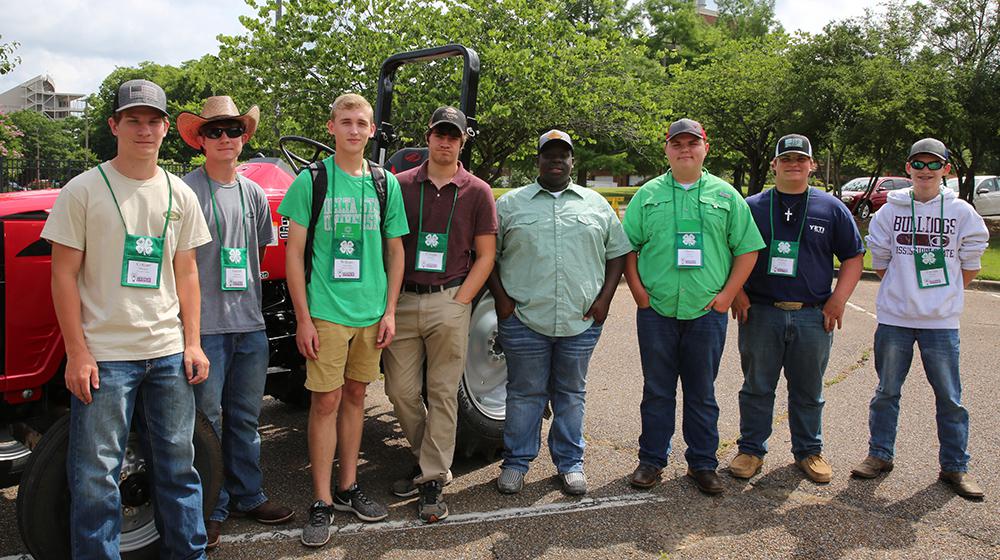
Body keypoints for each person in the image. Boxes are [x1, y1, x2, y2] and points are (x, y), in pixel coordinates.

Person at [42, 79, 212, 559]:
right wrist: (76, 352)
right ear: (114, 125)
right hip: (105, 358)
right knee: (96, 480)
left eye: (153, 120)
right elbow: (62, 276)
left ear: (165, 130)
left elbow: (187, 273)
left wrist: (193, 342)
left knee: (180, 470)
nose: (145, 129)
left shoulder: (180, 194)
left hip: (167, 353)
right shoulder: (83, 190)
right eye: (133, 119)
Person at [277, 93, 408, 547]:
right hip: (327, 312)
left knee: (357, 397)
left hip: (371, 314)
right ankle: (321, 501)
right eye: (346, 122)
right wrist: (303, 317)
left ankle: (349, 486)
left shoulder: (383, 183)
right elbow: (294, 255)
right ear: (331, 127)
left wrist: (389, 311)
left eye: (362, 123)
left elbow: (396, 251)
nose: (354, 130)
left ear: (373, 131)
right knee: (325, 403)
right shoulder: (311, 182)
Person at [623, 118, 764, 495]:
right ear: (666, 149)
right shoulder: (647, 195)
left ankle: (702, 463)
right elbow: (628, 247)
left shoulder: (726, 195)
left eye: (692, 143)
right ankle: (651, 460)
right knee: (657, 389)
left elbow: (747, 249)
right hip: (657, 312)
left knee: (702, 392)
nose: (685, 149)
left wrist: (727, 296)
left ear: (706, 146)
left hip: (706, 313)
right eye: (677, 143)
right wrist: (637, 291)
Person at [177, 95, 294, 548]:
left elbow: (258, 257)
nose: (225, 138)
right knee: (206, 422)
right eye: (215, 131)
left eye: (233, 130)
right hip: (204, 329)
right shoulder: (184, 191)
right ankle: (211, 506)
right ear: (200, 140)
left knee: (245, 418)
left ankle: (249, 495)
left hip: (249, 326)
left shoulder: (252, 194)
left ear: (244, 137)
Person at [488, 130, 631, 496]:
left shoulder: (596, 205)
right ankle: (517, 463)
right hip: (523, 319)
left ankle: (570, 464)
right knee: (524, 393)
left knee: (571, 393)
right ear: (537, 161)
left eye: (562, 155)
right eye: (548, 154)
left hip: (580, 321)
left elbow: (617, 253)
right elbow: (489, 255)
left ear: (572, 161)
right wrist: (502, 300)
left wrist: (605, 300)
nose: (555, 160)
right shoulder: (510, 205)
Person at [851, 138, 989, 499]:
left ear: (946, 169)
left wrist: (944, 295)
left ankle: (955, 467)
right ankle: (879, 455)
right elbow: (880, 260)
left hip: (941, 324)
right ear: (908, 168)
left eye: (933, 164)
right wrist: (904, 290)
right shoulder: (888, 212)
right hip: (895, 319)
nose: (925, 171)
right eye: (918, 164)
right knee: (886, 392)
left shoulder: (961, 212)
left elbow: (972, 258)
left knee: (950, 398)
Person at [728, 134, 864, 484]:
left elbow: (852, 256)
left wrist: (839, 299)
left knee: (808, 390)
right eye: (786, 159)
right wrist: (738, 292)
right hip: (761, 312)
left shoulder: (831, 207)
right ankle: (751, 450)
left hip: (812, 314)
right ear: (774, 164)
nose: (793, 164)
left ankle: (809, 451)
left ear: (812, 165)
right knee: (757, 386)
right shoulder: (751, 206)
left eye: (800, 159)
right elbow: (730, 250)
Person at [383, 106, 497, 522]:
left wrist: (462, 299)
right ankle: (427, 456)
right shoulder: (399, 186)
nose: (445, 141)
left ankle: (431, 478)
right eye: (439, 134)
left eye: (454, 135)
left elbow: (486, 255)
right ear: (428, 136)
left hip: (450, 299)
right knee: (400, 391)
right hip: (404, 299)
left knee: (444, 392)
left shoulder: (478, 191)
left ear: (463, 141)